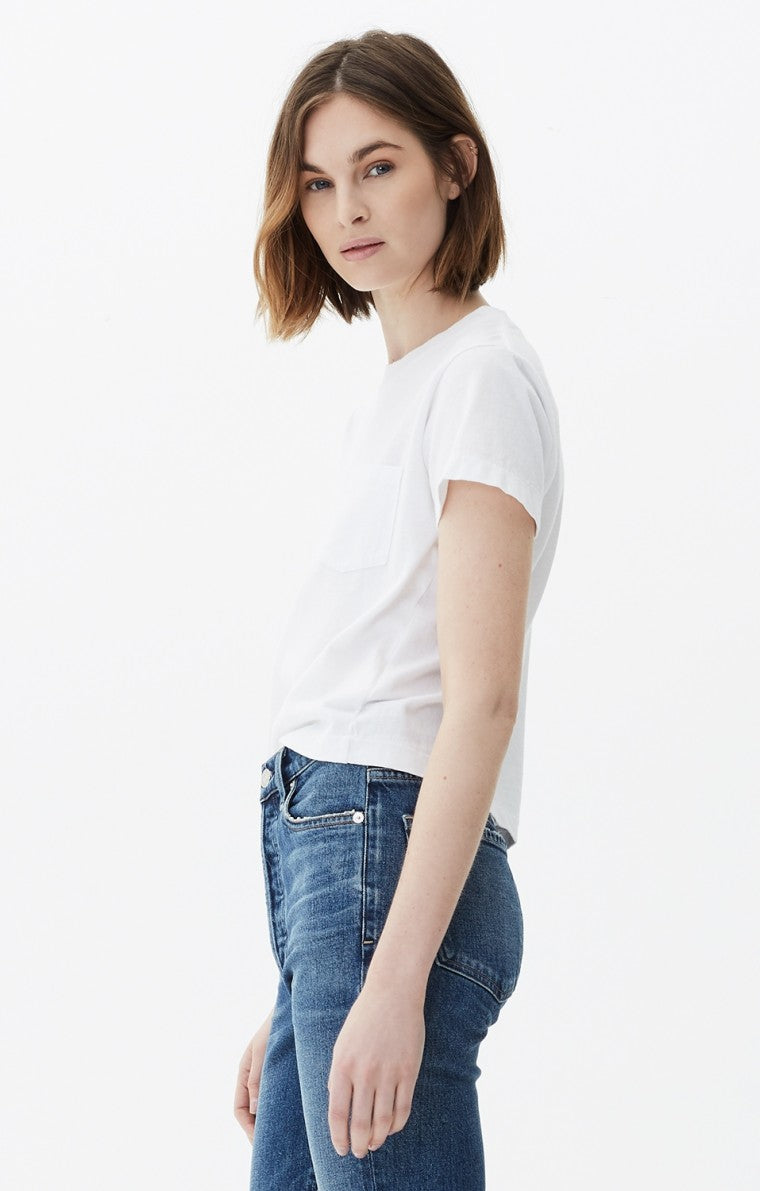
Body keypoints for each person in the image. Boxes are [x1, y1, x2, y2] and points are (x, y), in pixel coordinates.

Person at [234, 28, 564, 1190]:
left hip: (383, 861)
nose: (348, 209)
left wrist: (387, 979)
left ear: (454, 167)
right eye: (319, 182)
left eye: (378, 166)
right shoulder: (406, 388)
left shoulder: (480, 375)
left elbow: (477, 703)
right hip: (337, 880)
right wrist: (299, 979)